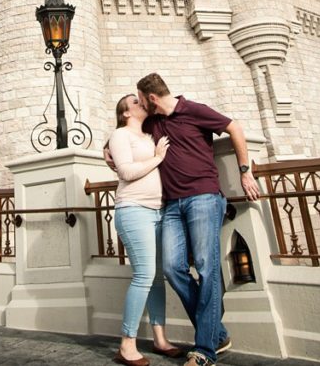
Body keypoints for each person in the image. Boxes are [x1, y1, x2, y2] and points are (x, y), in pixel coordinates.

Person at [135, 73, 261, 366]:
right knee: (172, 268)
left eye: (141, 98)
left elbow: (235, 127)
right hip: (171, 205)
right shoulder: (152, 123)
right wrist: (108, 151)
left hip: (203, 198)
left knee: (205, 266)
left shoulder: (194, 110)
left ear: (152, 98)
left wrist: (245, 171)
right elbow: (127, 130)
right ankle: (216, 333)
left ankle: (204, 351)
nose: (140, 104)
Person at [107, 93, 182, 366]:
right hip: (133, 209)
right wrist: (158, 158)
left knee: (158, 278)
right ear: (125, 113)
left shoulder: (150, 134)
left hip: (159, 211)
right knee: (144, 275)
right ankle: (127, 344)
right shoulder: (120, 135)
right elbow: (126, 172)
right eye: (134, 102)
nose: (141, 103)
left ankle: (160, 338)